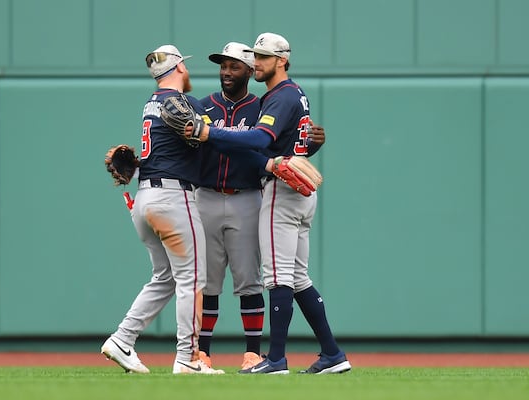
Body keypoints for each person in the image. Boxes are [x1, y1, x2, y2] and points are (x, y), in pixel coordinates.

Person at [190, 32, 351, 374]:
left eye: (262, 57)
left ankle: (275, 359)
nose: (257, 62)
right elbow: (291, 144)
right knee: (298, 278)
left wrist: (211, 133)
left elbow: (261, 140)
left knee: (277, 278)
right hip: (296, 188)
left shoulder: (279, 96)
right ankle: (333, 354)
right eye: (256, 56)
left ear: (281, 60)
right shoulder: (293, 94)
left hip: (282, 190)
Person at [100, 44, 224, 375]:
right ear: (180, 67)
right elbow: (209, 141)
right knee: (192, 279)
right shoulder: (181, 102)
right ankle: (188, 358)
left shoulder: (151, 103)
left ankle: (122, 339)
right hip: (173, 198)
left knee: (165, 277)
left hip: (145, 197)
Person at [195, 42, 265, 371]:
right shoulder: (203, 105)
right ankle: (202, 353)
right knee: (207, 282)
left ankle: (253, 353)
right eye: (223, 65)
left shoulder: (262, 107)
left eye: (234, 66)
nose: (226, 72)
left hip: (246, 197)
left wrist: (311, 144)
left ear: (250, 71)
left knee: (249, 281)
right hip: (206, 195)